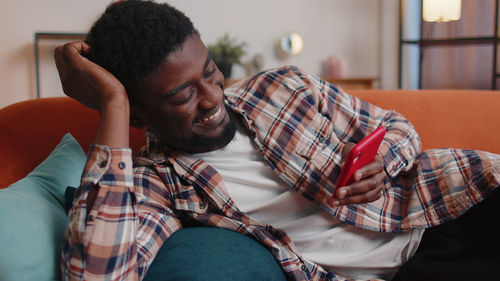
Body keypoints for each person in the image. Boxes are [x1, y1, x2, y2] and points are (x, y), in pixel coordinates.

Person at [55, 1, 500, 280]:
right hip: (411, 269)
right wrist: (111, 103)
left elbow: (396, 127)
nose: (213, 97)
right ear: (137, 112)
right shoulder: (158, 184)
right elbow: (96, 274)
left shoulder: (283, 87)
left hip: (446, 203)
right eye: (183, 94)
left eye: (209, 72)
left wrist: (382, 160)